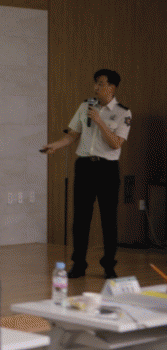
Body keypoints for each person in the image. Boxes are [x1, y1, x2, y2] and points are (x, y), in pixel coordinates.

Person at [41, 69, 131, 279]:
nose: (96, 87)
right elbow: (73, 135)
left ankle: (109, 265)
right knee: (80, 218)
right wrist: (55, 145)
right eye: (95, 83)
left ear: (112, 87)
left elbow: (116, 143)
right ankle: (79, 264)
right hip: (84, 167)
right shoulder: (85, 106)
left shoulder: (123, 113)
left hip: (107, 169)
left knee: (108, 218)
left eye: (101, 83)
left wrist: (99, 121)